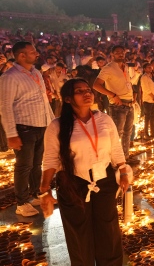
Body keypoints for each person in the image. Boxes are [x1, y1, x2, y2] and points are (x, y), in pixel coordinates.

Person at [39, 78, 128, 265]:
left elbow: (116, 148)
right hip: (73, 183)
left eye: (88, 89)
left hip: (103, 181)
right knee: (79, 232)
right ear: (68, 99)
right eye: (79, 91)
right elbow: (50, 159)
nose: (87, 93)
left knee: (108, 228)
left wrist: (124, 171)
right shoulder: (57, 126)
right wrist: (45, 189)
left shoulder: (104, 119)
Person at [0, 42, 55, 216]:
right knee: (24, 165)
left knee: (37, 163)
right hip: (24, 127)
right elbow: (5, 106)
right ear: (21, 56)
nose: (36, 54)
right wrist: (11, 134)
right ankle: (22, 202)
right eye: (32, 52)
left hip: (41, 124)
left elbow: (44, 101)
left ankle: (36, 193)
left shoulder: (36, 72)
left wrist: (53, 123)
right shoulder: (10, 76)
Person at [93, 45, 136, 162]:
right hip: (118, 105)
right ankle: (115, 161)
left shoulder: (125, 66)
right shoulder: (108, 68)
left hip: (129, 103)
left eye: (122, 52)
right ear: (112, 54)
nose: (120, 54)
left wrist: (133, 95)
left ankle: (125, 157)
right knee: (117, 134)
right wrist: (113, 95)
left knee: (128, 132)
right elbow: (96, 85)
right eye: (117, 52)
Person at [140, 63, 154, 139]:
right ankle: (146, 133)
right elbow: (146, 89)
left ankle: (153, 131)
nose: (150, 69)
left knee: (153, 116)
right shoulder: (144, 77)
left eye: (150, 68)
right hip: (148, 100)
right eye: (148, 68)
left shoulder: (151, 76)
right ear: (144, 69)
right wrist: (153, 97)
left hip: (153, 99)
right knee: (147, 117)